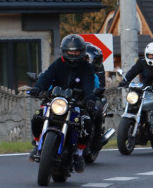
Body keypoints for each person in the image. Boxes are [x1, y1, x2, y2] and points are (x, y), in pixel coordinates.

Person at [30, 34, 100, 172]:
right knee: (37, 117)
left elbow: (89, 84)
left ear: (82, 51)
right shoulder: (57, 64)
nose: (73, 54)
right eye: (70, 51)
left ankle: (79, 154)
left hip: (77, 103)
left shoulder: (86, 68)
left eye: (76, 51)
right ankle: (37, 144)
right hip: (56, 101)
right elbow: (47, 77)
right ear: (64, 51)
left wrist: (90, 98)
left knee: (86, 122)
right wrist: (38, 88)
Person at [119, 41, 153, 132]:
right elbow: (134, 71)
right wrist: (125, 80)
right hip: (145, 90)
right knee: (133, 103)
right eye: (149, 55)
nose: (151, 57)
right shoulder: (142, 61)